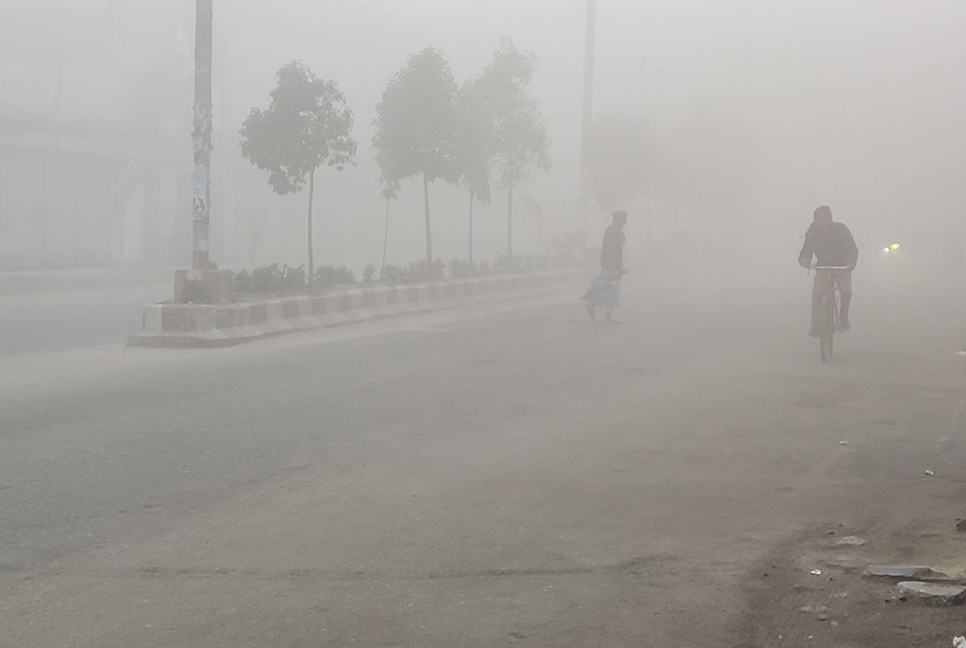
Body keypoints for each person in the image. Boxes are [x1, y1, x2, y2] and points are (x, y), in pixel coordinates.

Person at [798, 205, 859, 335]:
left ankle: (843, 317)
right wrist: (805, 261)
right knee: (818, 292)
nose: (821, 222)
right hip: (823, 266)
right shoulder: (813, 232)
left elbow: (852, 249)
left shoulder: (841, 230)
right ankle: (816, 324)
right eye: (818, 219)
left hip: (842, 266)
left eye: (823, 219)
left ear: (830, 219)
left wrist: (851, 264)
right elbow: (806, 250)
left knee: (845, 290)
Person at [583, 210, 628, 322]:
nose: (625, 222)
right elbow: (613, 251)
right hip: (611, 266)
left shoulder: (612, 231)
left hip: (610, 265)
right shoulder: (614, 232)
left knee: (610, 289)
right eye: (624, 219)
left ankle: (601, 309)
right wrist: (617, 267)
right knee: (613, 289)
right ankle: (598, 308)